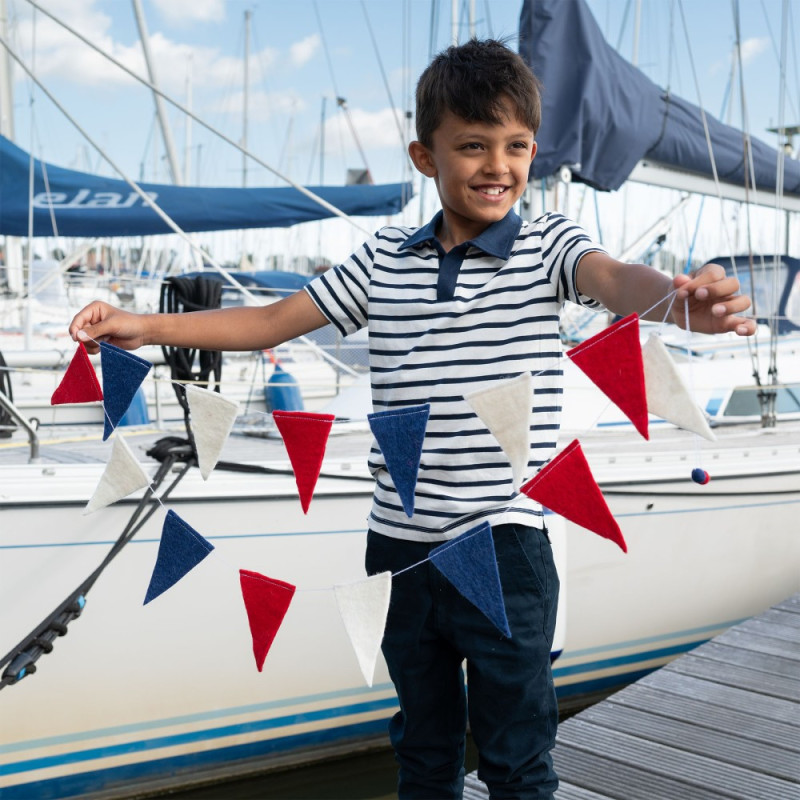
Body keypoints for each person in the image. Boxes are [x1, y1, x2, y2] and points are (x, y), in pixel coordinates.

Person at [70, 39, 755, 800]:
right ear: (425, 157)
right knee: (422, 749)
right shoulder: (381, 260)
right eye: (472, 145)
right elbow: (269, 322)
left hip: (504, 547)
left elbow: (616, 279)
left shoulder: (548, 245)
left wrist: (683, 303)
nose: (498, 165)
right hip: (398, 551)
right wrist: (143, 325)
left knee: (517, 756)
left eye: (516, 146)